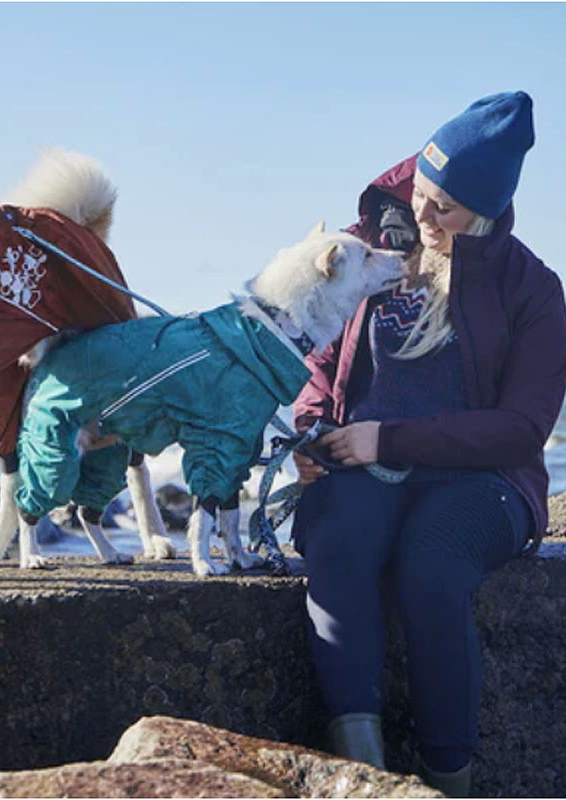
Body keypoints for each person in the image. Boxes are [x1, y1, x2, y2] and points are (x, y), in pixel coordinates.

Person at [290, 91, 566, 797]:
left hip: (485, 480)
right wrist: (310, 430)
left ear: (486, 213)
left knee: (432, 564)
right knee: (339, 538)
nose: (422, 215)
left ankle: (451, 781)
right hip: (364, 459)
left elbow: (523, 427)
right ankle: (365, 775)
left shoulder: (531, 287)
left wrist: (391, 437)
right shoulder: (372, 245)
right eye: (420, 192)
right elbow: (318, 357)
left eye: (444, 208)